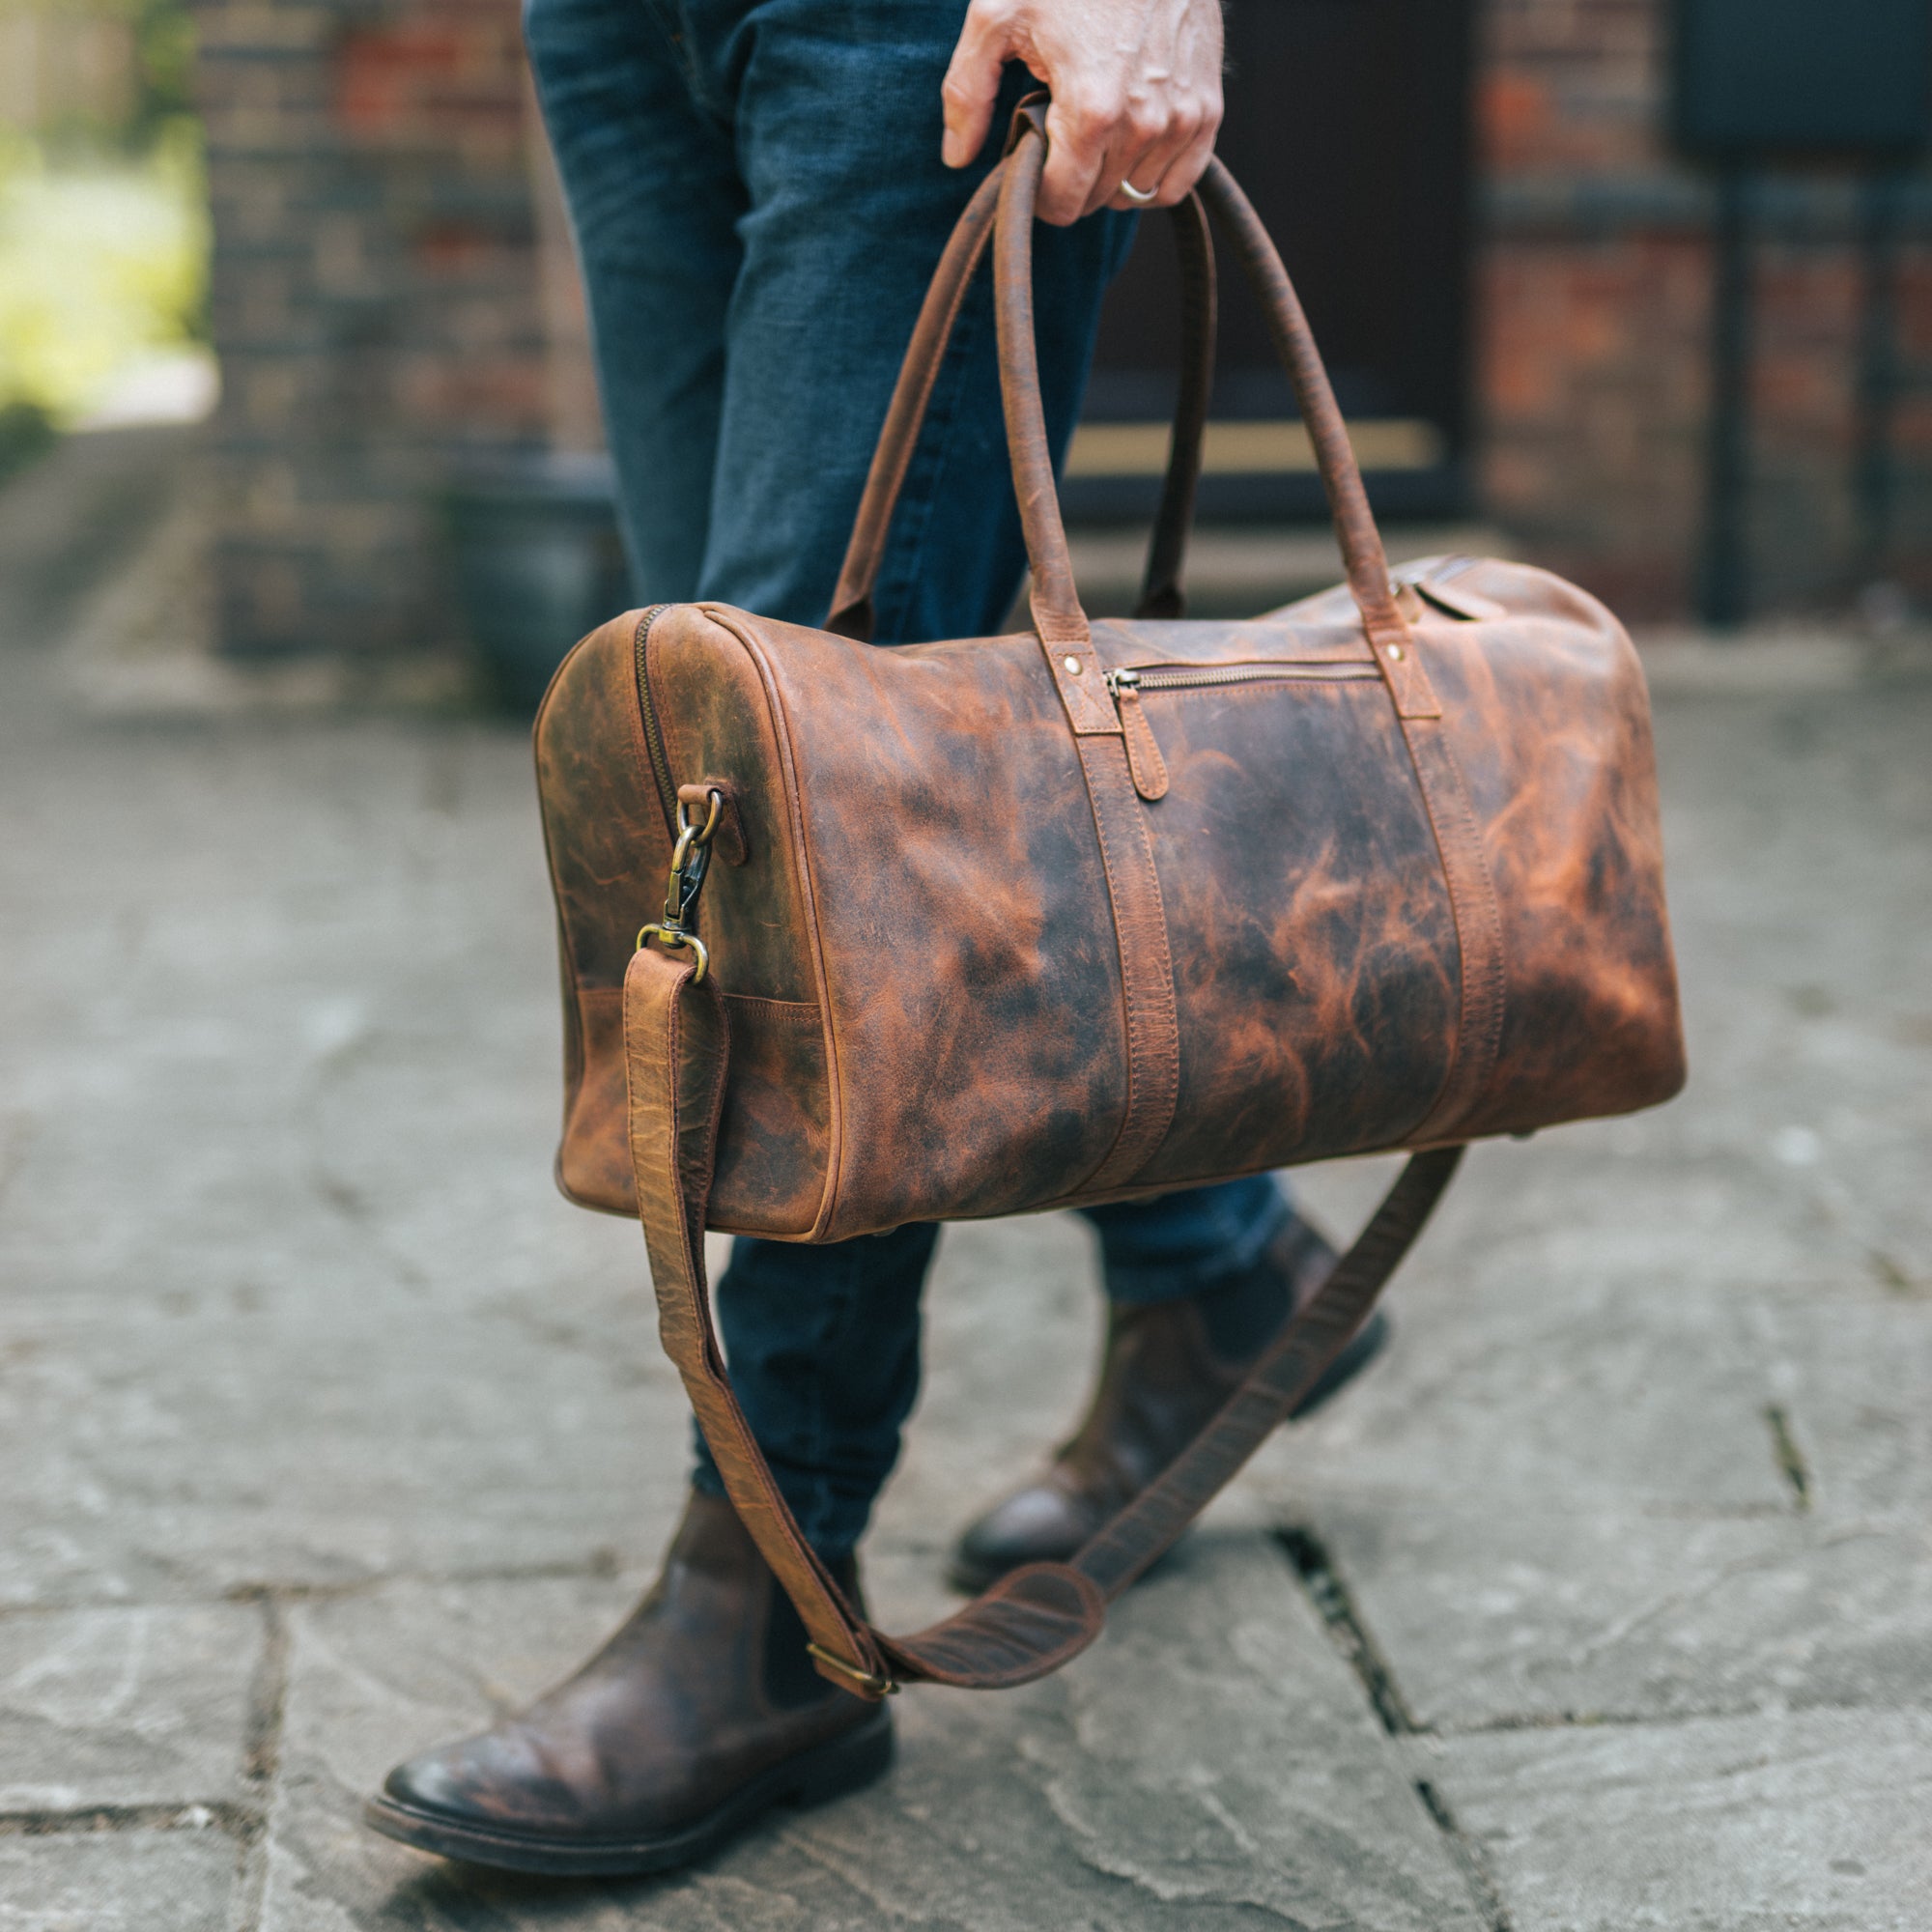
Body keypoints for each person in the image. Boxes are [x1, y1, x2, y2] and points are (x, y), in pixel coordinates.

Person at [364, 0, 1386, 1877]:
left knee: (796, 800)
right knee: (752, 730)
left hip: (910, 35)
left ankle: (774, 1593)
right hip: (615, 34)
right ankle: (1213, 1272)